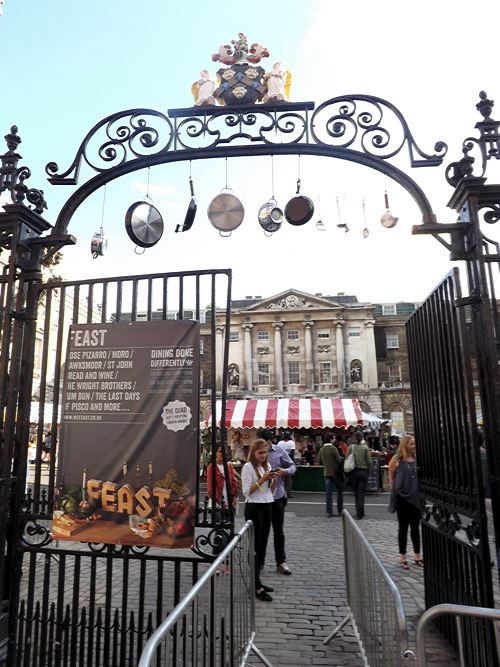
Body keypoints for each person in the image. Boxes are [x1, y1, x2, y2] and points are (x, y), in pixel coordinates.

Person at [241, 439, 277, 601]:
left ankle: (257, 580)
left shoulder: (266, 466)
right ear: (253, 452)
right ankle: (256, 585)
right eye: (260, 452)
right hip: (254, 507)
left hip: (267, 504)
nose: (263, 455)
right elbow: (247, 492)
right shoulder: (248, 468)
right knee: (255, 546)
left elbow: (271, 491)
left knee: (262, 545)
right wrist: (262, 479)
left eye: (265, 452)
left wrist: (273, 479)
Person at [257, 429, 295, 576]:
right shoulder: (254, 454)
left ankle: (281, 561)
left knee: (278, 531)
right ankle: (259, 561)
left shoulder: (279, 451)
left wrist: (285, 472)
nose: (264, 450)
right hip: (261, 497)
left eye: (266, 445)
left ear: (271, 441)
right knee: (262, 532)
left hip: (277, 496)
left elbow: (292, 466)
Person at [388, 435, 423, 569]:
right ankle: (403, 558)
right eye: (412, 444)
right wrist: (395, 493)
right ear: (405, 445)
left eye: (415, 444)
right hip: (402, 497)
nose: (414, 446)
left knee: (415, 528)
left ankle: (417, 556)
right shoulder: (397, 460)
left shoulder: (416, 459)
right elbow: (391, 480)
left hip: (415, 496)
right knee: (403, 527)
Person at [206, 443, 239, 563]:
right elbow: (211, 488)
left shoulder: (229, 466)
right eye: (220, 452)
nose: (223, 454)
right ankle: (221, 559)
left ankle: (219, 559)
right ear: (215, 453)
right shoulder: (211, 467)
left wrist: (234, 498)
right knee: (220, 532)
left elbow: (234, 483)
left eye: (225, 452)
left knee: (227, 532)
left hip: (229, 503)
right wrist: (220, 502)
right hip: (218, 505)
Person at [346, 431, 373, 520]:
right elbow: (369, 461)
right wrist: (370, 471)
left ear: (355, 438)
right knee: (361, 492)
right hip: (363, 471)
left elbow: (347, 458)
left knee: (356, 492)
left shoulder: (351, 447)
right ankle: (360, 513)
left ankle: (358, 510)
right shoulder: (365, 448)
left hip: (353, 471)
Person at [318, 434, 344, 517]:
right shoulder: (333, 449)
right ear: (330, 439)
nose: (334, 439)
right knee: (339, 491)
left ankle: (329, 512)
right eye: (333, 438)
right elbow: (339, 461)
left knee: (328, 493)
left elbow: (319, 462)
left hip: (326, 473)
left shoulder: (321, 449)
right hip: (335, 473)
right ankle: (340, 510)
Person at [279, 431, 295, 497]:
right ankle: (289, 493)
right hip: (288, 461)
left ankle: (281, 493)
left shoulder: (280, 443)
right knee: (289, 478)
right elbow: (292, 453)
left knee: (280, 478)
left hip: (281, 461)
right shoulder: (292, 443)